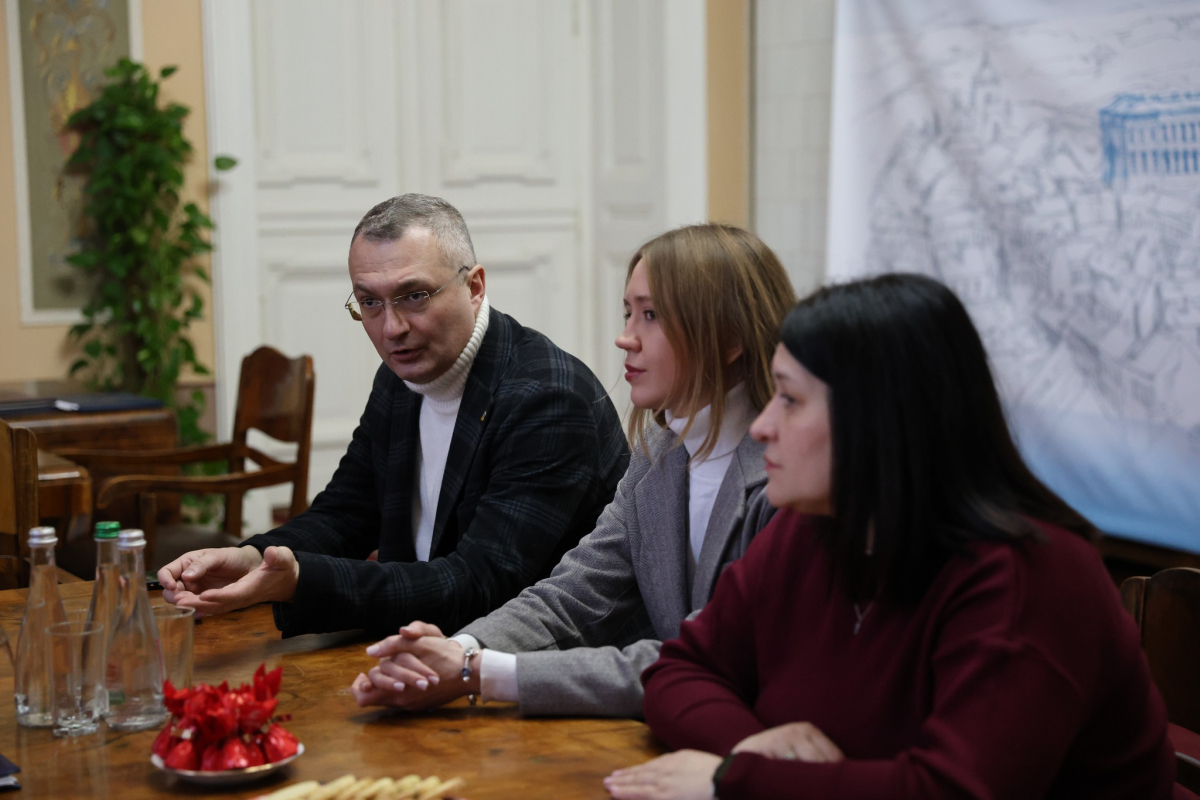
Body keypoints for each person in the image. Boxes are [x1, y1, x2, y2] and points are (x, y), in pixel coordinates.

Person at [605, 274, 1180, 799]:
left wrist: (733, 780)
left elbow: (953, 790)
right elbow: (679, 670)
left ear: (879, 418)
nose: (762, 426)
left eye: (790, 399)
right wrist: (756, 745)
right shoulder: (812, 529)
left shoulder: (1030, 577)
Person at [348, 224, 796, 717]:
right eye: (629, 313)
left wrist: (478, 672)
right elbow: (574, 592)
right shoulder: (659, 453)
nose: (625, 338)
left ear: (728, 338)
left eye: (651, 315)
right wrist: (459, 651)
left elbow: (711, 662)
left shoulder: (790, 478)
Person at [157, 193, 629, 638]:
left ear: (475, 286)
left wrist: (301, 580)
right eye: (370, 303)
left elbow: (481, 587)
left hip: (530, 668)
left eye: (414, 296)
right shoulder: (403, 375)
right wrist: (252, 558)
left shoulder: (549, 399)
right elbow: (347, 512)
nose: (392, 328)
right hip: (420, 643)